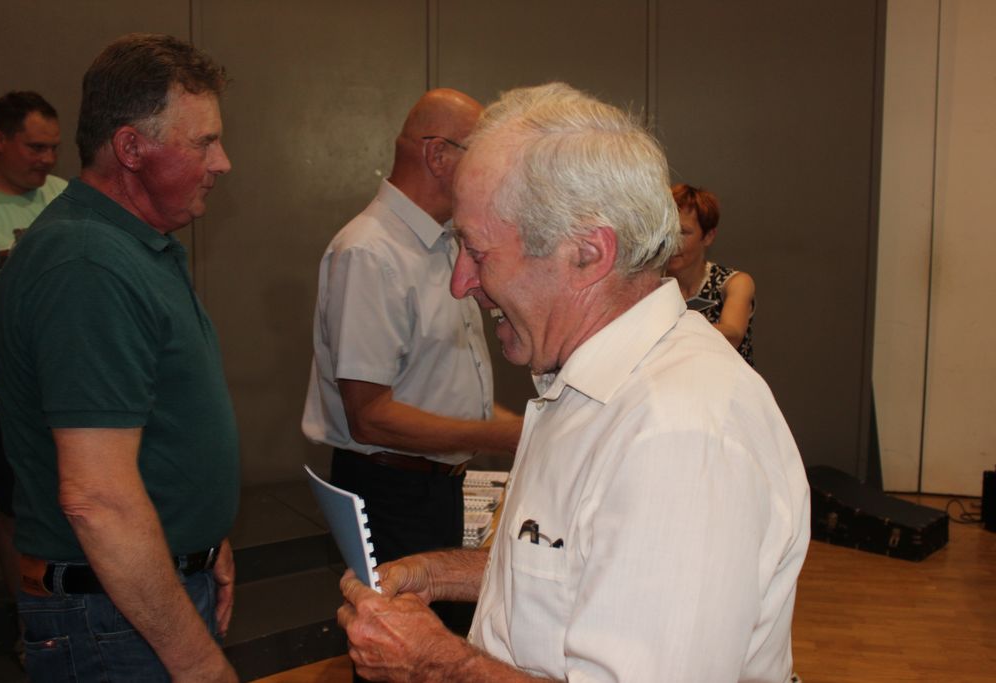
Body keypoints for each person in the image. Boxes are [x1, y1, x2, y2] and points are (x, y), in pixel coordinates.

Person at [337, 83, 810, 682]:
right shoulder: (586, 382)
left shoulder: (679, 434)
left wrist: (433, 662)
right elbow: (577, 569)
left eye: (477, 252)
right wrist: (439, 574)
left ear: (588, 253)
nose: (461, 283)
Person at [0, 34, 240, 682]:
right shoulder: (87, 263)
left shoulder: (130, 246)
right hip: (112, 618)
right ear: (131, 148)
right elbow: (98, 499)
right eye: (204, 142)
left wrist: (204, 538)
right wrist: (197, 663)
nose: (223, 163)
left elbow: (160, 423)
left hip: (139, 594)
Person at [302, 88, 522, 577]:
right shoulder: (369, 252)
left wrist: (525, 428)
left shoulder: (444, 244)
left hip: (435, 486)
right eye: (480, 154)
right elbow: (370, 417)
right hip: (391, 493)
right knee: (399, 623)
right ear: (438, 155)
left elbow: (441, 389)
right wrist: (502, 435)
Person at [0, 91, 66, 609]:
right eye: (35, 147)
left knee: (73, 495)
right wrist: (36, 312)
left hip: (61, 374)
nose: (47, 159)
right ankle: (29, 621)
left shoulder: (64, 195)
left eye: (53, 147)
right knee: (18, 503)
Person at [665, 183, 756, 365]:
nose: (672, 241)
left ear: (708, 236)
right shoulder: (653, 282)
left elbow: (733, 334)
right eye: (667, 231)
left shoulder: (734, 282)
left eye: (683, 232)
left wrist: (666, 331)